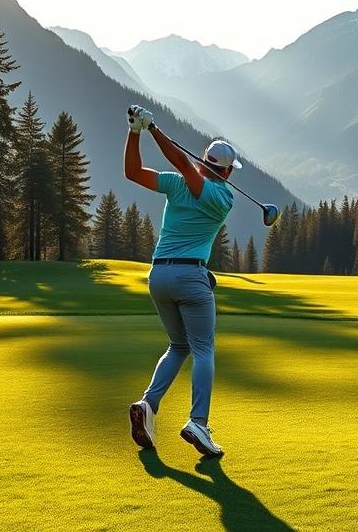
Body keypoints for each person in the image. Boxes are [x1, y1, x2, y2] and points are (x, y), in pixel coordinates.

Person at [123, 104, 241, 457]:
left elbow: (135, 172)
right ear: (227, 171)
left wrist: (137, 131)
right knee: (203, 349)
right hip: (190, 277)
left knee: (179, 345)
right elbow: (180, 167)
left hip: (158, 275)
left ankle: (147, 405)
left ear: (204, 163)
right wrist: (149, 129)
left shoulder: (181, 185)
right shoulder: (224, 196)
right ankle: (198, 422)